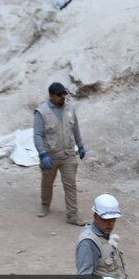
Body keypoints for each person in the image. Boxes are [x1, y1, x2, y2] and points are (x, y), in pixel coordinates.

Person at [34, 82, 86, 224]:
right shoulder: (42, 112)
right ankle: (45, 204)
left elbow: (76, 129)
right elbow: (37, 135)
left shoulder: (70, 108)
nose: (63, 97)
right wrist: (42, 154)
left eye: (64, 93)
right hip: (50, 155)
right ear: (51, 96)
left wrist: (80, 146)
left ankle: (72, 215)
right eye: (59, 95)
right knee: (47, 183)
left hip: (68, 154)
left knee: (70, 184)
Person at [76, 194, 130, 279]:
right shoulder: (89, 244)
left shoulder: (103, 235)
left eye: (113, 219)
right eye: (106, 220)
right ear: (95, 216)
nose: (110, 224)